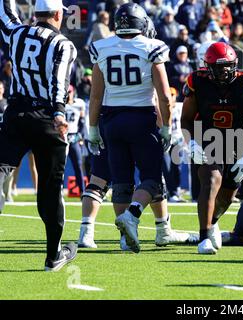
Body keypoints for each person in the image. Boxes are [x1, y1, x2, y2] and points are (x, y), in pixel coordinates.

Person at [88, 3, 197, 253]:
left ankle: (126, 239)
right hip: (141, 119)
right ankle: (133, 216)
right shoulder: (151, 48)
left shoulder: (102, 47)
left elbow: (95, 96)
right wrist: (168, 126)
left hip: (111, 120)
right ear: (141, 23)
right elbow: (164, 96)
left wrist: (93, 128)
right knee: (152, 178)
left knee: (121, 181)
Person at [0, 0, 77, 271]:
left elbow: (4, 14)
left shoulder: (18, 33)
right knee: (49, 190)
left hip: (17, 116)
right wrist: (58, 112)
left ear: (36, 14)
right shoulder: (63, 44)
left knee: (1, 170)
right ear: (58, 15)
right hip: (46, 121)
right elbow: (59, 79)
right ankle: (53, 255)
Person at [181, 42, 243, 254]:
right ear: (207, 66)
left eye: (227, 66)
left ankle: (211, 223)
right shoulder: (198, 82)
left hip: (237, 140)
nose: (223, 71)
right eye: (218, 67)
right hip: (206, 138)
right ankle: (203, 237)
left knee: (228, 195)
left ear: (235, 64)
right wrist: (190, 142)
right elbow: (185, 120)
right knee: (212, 181)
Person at [66, 85, 86, 196]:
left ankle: (83, 191)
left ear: (73, 92)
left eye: (69, 91)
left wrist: (80, 137)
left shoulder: (79, 104)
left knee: (78, 165)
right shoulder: (60, 105)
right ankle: (57, 191)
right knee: (59, 166)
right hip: (61, 138)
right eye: (66, 91)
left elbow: (82, 123)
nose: (68, 94)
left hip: (74, 138)